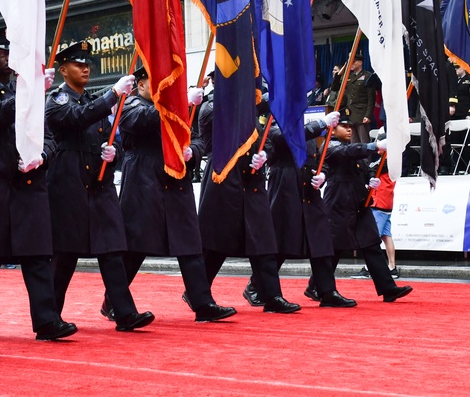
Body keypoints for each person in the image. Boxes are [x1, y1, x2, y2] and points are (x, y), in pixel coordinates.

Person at [0, 28, 77, 341]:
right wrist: (30, 93)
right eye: (1, 52)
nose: (8, 58)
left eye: (11, 52)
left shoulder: (25, 90)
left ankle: (47, 319)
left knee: (37, 253)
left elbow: (49, 135)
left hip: (27, 180)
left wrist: (41, 156)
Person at [112, 66, 236, 322]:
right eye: (155, 81)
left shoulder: (176, 108)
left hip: (176, 179)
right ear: (141, 84)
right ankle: (114, 301)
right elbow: (142, 120)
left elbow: (199, 139)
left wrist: (194, 152)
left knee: (189, 243)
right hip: (145, 180)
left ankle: (202, 303)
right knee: (136, 246)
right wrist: (178, 105)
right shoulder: (130, 104)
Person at [45, 41, 154, 331]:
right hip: (69, 183)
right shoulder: (58, 100)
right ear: (62, 70)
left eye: (87, 64)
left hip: (99, 183)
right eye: (77, 64)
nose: (85, 68)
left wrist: (113, 152)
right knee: (65, 254)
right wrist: (112, 94)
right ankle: (50, 316)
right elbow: (76, 119)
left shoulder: (94, 102)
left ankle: (124, 312)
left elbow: (111, 137)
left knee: (111, 249)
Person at [194, 93, 299, 314]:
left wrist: (264, 154)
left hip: (251, 182)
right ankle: (198, 292)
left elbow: (264, 138)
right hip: (224, 178)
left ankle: (271, 296)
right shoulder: (211, 105)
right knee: (216, 244)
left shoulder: (248, 108)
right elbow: (219, 124)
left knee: (263, 242)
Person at [246, 111, 356, 309]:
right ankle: (256, 285)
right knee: (281, 240)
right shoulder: (273, 126)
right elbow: (285, 137)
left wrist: (322, 175)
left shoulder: (307, 130)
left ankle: (326, 290)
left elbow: (316, 159)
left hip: (307, 187)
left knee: (321, 239)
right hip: (285, 185)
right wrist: (321, 122)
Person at [317, 121, 413, 303]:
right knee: (335, 247)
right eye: (343, 126)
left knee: (371, 243)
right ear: (332, 129)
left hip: (359, 201)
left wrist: (370, 178)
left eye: (350, 126)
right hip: (339, 202)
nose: (348, 129)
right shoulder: (329, 146)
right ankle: (318, 287)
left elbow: (363, 167)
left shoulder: (351, 148)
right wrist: (373, 145)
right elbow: (348, 152)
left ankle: (388, 288)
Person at [336, 54, 376, 143]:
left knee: (364, 142)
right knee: (353, 143)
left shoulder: (367, 76)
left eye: (353, 62)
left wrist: (368, 115)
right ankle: (356, 157)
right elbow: (335, 85)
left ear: (360, 63)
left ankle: (366, 158)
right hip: (350, 114)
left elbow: (371, 98)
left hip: (362, 113)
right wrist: (344, 67)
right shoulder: (349, 77)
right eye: (350, 62)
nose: (351, 64)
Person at [369, 158, 398, 277]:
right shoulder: (394, 162)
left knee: (373, 238)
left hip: (379, 202)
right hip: (387, 202)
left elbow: (372, 169)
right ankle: (392, 267)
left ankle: (370, 268)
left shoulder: (384, 162)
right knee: (386, 236)